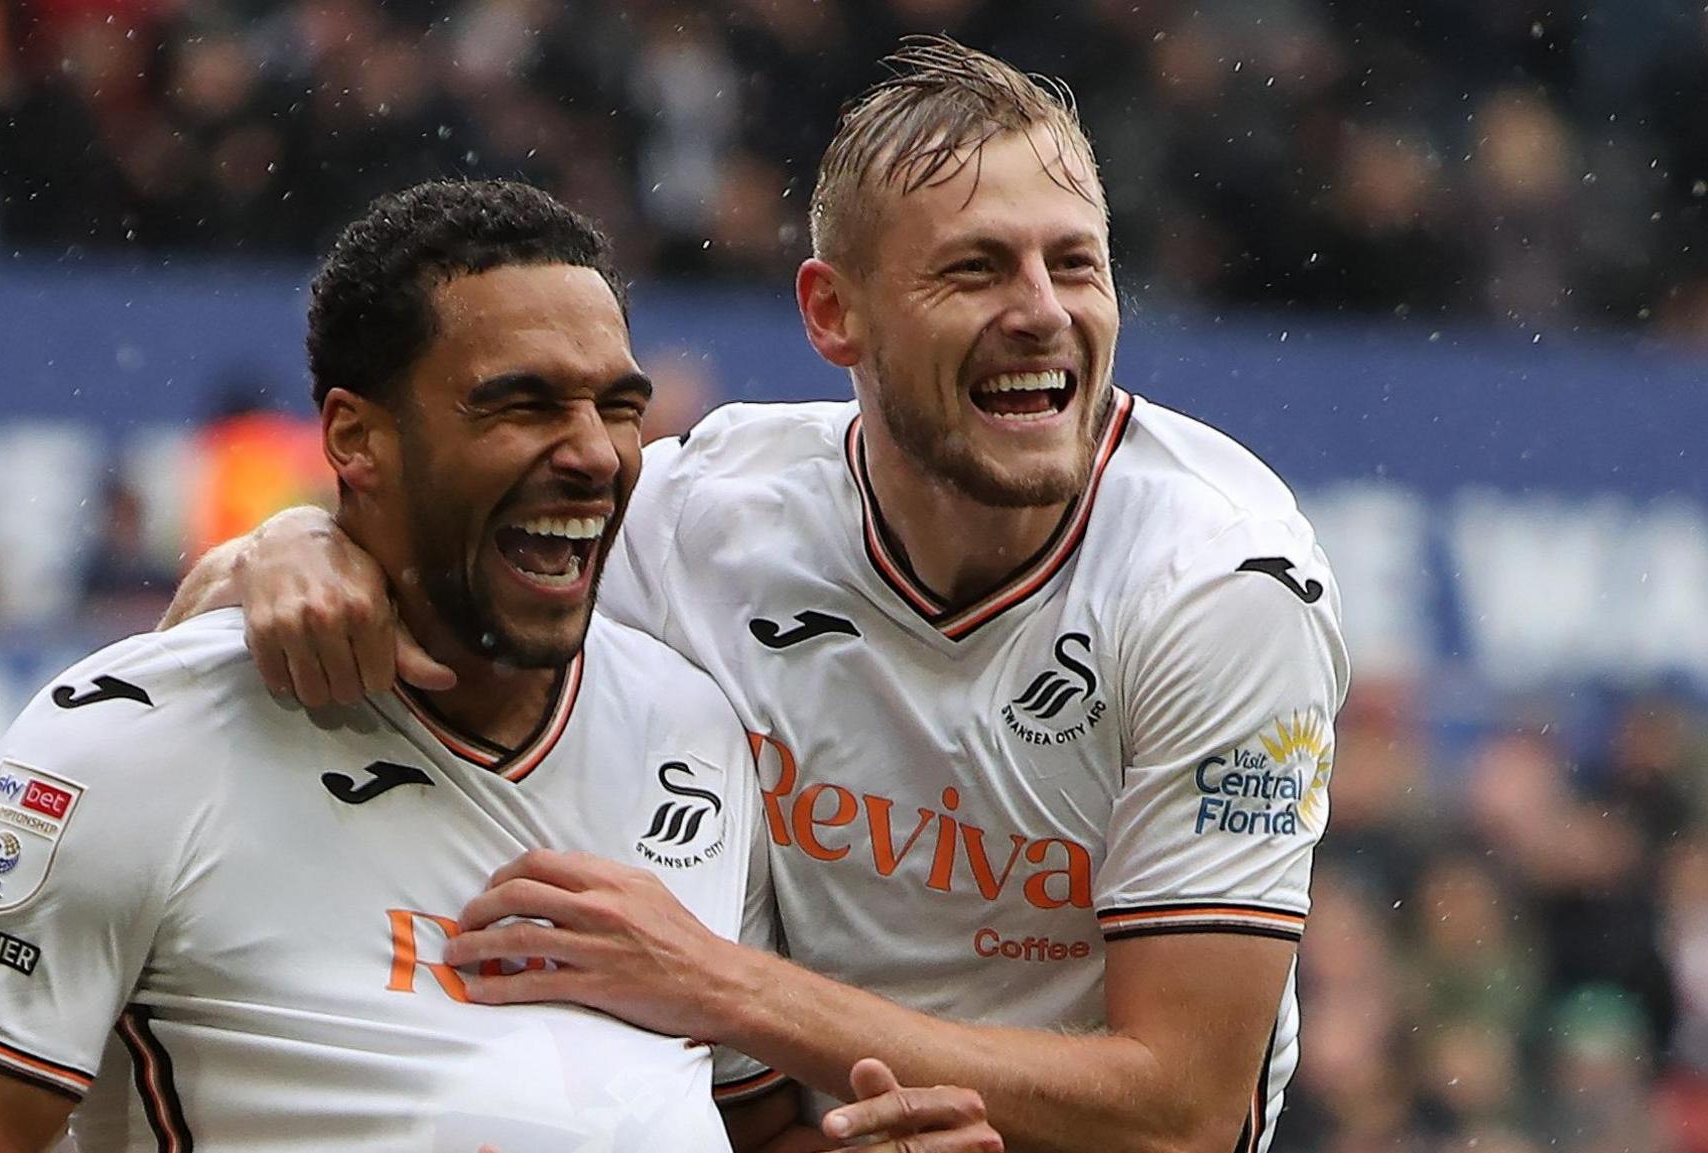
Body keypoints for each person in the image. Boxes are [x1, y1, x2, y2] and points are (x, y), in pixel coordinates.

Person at [171, 37, 1350, 1153]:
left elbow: (1182, 1108)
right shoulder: (699, 520)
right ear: (832, 313)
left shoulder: (1221, 585)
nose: (1042, 309)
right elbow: (391, 549)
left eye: (1074, 263)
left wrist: (719, 986)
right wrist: (292, 546)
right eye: (975, 266)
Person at [0, 180, 998, 1153]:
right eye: (520, 405)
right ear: (356, 440)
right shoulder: (128, 745)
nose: (592, 454)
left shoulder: (689, 728)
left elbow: (733, 1126)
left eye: (616, 407)